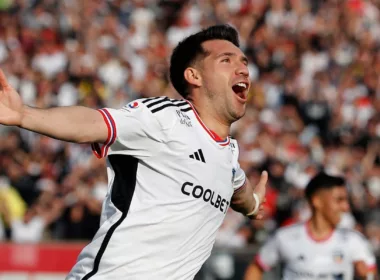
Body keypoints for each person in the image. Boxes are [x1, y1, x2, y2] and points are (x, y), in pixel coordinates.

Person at [0, 25, 267, 279]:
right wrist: (24, 115)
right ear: (193, 75)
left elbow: (238, 189)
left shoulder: (229, 155)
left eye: (243, 61)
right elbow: (93, 124)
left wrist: (253, 205)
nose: (243, 68)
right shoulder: (166, 119)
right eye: (227, 60)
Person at [244, 171, 377, 280]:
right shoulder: (285, 237)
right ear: (317, 201)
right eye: (339, 200)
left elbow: (371, 274)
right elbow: (256, 268)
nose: (346, 207)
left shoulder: (354, 241)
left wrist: (366, 276)